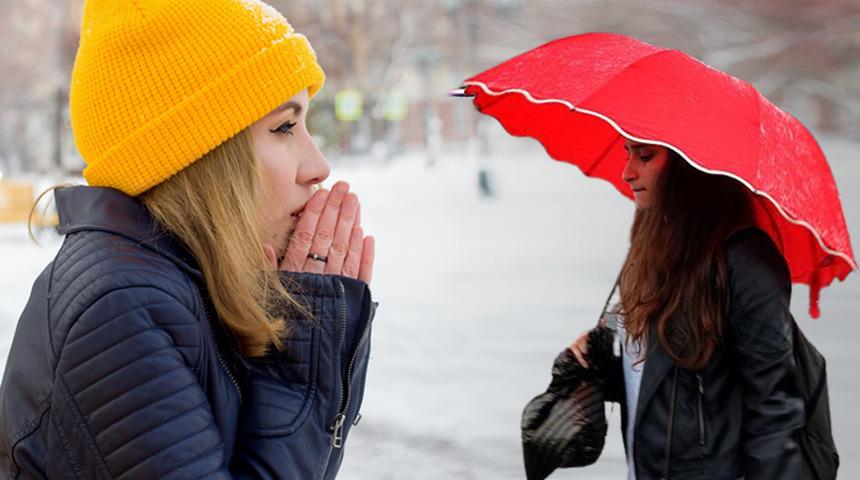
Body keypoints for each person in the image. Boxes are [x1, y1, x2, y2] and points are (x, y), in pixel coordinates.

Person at [0, 0, 377, 478]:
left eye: (305, 124)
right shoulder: (123, 308)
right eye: (284, 126)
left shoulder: (168, 280)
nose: (319, 164)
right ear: (201, 156)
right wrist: (302, 368)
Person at [568, 140, 804, 479]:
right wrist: (601, 363)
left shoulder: (744, 260)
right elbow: (665, 382)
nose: (627, 172)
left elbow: (774, 407)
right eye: (628, 155)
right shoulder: (652, 248)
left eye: (645, 157)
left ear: (688, 166)